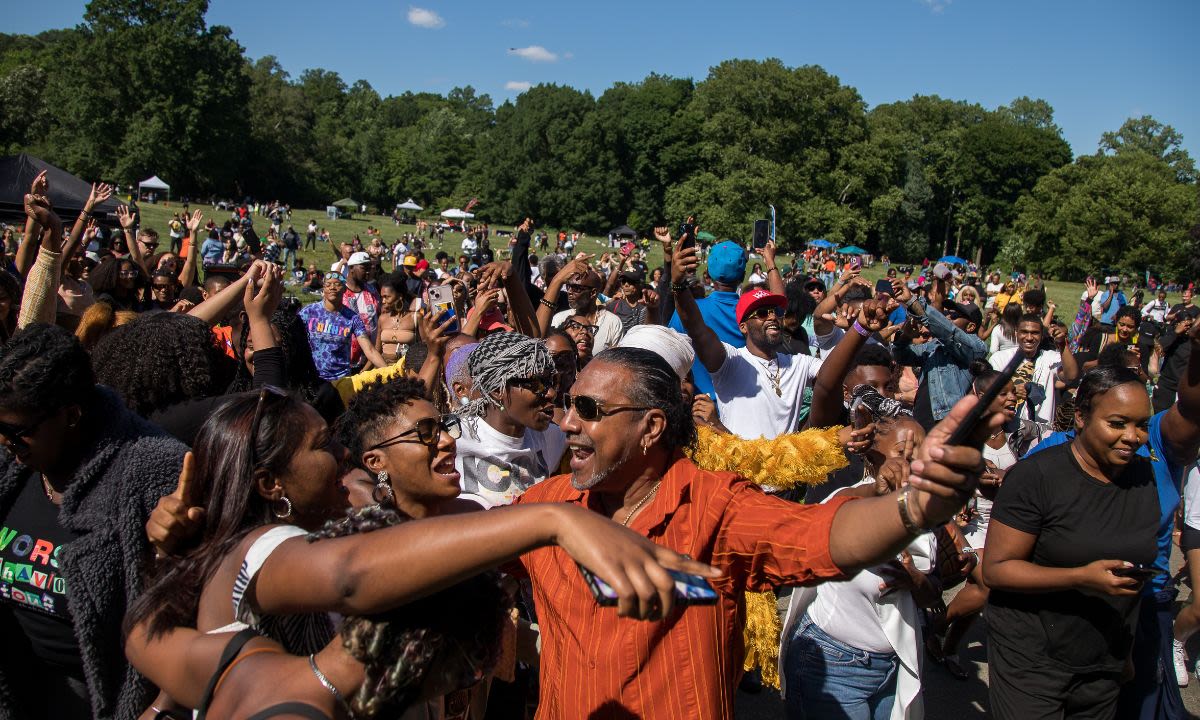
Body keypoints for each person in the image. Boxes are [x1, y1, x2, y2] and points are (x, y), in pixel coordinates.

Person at [509, 344, 998, 718]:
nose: (567, 423)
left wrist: (913, 508)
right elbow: (465, 553)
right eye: (569, 405)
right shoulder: (545, 506)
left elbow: (820, 536)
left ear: (651, 427)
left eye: (589, 410)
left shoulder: (714, 509)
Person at [984, 359, 1200, 720]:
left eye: (1141, 425)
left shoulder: (1144, 476)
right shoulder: (1037, 476)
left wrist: (1126, 653)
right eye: (1117, 423)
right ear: (1081, 417)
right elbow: (997, 570)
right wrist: (1081, 577)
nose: (1132, 437)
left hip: (1103, 663)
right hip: (1032, 661)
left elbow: (1134, 576)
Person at [0, 324, 186, 719]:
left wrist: (160, 708)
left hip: (97, 698)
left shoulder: (153, 470)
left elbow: (196, 601)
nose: (4, 442)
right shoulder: (12, 466)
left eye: (16, 432)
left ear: (70, 416)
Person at [781, 415, 939, 720]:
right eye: (903, 453)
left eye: (922, 450)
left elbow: (934, 596)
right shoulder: (852, 499)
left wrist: (915, 580)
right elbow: (830, 514)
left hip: (892, 668)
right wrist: (877, 493)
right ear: (872, 456)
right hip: (833, 666)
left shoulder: (927, 513)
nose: (913, 460)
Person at [454, 331, 567, 507]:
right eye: (536, 383)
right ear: (497, 390)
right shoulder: (453, 440)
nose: (551, 393)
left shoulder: (552, 438)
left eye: (551, 381)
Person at [890, 279, 989, 429]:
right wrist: (905, 336)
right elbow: (901, 356)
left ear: (970, 326)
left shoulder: (976, 348)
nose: (948, 317)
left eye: (955, 316)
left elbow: (950, 332)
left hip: (945, 424)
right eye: (948, 313)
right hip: (920, 421)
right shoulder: (935, 346)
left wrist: (912, 301)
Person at [989, 313, 1078, 438]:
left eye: (1035, 333)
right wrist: (1012, 392)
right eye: (1024, 332)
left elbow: (1071, 376)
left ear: (1041, 336)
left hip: (1041, 432)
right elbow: (989, 393)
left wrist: (1062, 345)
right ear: (1016, 333)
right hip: (1006, 431)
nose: (1029, 337)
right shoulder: (999, 358)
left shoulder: (1050, 357)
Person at [299, 273, 388, 381]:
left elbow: (370, 350)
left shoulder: (352, 318)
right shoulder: (309, 312)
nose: (332, 288)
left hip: (341, 380)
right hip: (313, 379)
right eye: (328, 285)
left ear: (345, 289)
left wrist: (388, 372)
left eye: (337, 284)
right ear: (323, 289)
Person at [538, 258, 624, 354]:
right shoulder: (559, 319)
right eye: (568, 287)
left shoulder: (612, 323)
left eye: (576, 288)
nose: (569, 292)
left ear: (593, 293)